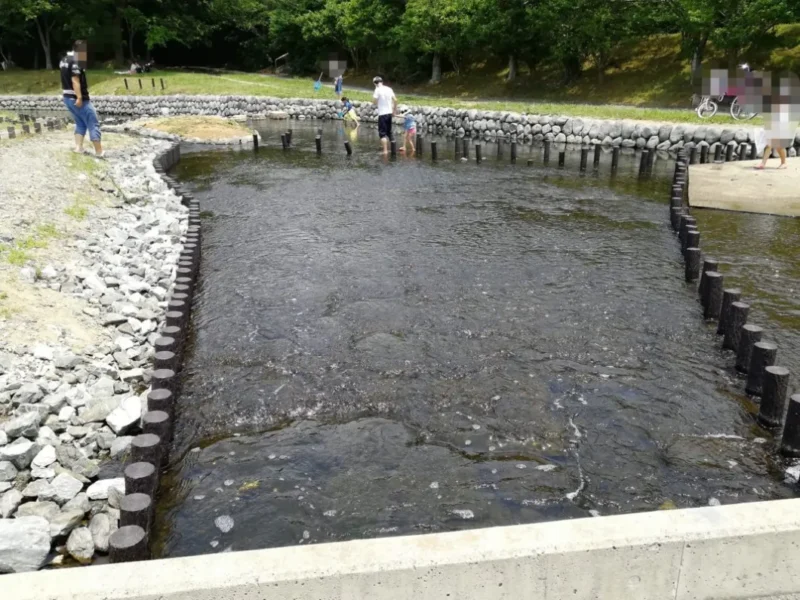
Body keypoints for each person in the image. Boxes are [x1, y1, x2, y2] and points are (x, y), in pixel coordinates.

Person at [60, 40, 103, 158]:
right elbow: (75, 80)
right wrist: (79, 97)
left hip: (67, 97)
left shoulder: (64, 60)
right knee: (93, 123)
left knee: (80, 122)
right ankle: (99, 151)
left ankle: (78, 147)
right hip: (78, 98)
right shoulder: (76, 61)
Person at [372, 76, 397, 155]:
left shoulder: (377, 90)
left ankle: (385, 151)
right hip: (389, 113)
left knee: (382, 134)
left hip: (382, 114)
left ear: (375, 83)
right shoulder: (389, 89)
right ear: (382, 82)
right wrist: (394, 111)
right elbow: (395, 100)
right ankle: (393, 151)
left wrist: (377, 102)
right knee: (389, 132)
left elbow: (374, 102)